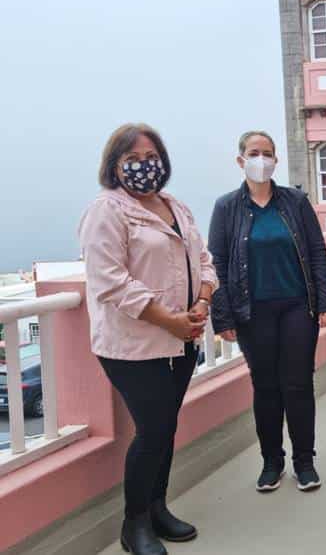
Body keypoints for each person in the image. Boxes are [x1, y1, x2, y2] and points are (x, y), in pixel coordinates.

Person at [79, 124, 218, 555]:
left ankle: (158, 508)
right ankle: (134, 522)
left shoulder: (176, 206)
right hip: (133, 345)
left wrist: (202, 300)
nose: (144, 165)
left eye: (151, 156)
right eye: (133, 158)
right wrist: (167, 320)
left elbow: (204, 259)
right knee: (154, 428)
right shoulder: (106, 210)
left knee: (166, 427)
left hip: (182, 339)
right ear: (114, 165)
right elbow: (110, 280)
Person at [208, 131, 326, 493]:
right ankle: (271, 462)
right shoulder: (227, 208)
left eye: (267, 153)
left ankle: (304, 461)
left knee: (298, 384)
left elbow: (316, 251)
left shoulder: (295, 202)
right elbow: (216, 263)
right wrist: (222, 316)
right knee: (265, 387)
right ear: (240, 160)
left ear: (276, 160)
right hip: (252, 311)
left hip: (298, 306)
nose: (260, 159)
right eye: (254, 153)